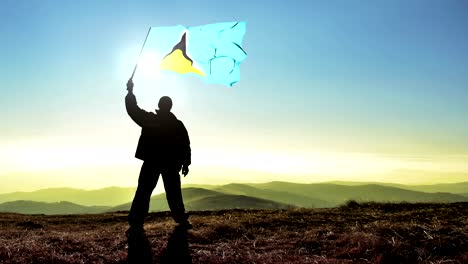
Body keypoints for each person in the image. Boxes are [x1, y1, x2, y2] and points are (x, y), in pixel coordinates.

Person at [125, 79, 192, 234]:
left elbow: (133, 110)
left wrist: (130, 92)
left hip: (152, 161)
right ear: (169, 106)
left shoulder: (151, 120)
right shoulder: (177, 124)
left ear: (160, 105)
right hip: (170, 163)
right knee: (172, 192)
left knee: (144, 191)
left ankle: (136, 221)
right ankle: (181, 219)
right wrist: (186, 163)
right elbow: (185, 145)